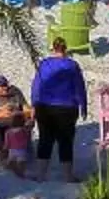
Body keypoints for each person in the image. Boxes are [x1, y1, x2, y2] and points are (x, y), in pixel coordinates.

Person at [26, 38, 86, 182]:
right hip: (66, 107)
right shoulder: (72, 65)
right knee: (65, 140)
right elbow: (79, 87)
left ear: (53, 48)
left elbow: (37, 86)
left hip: (45, 106)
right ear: (66, 49)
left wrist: (34, 104)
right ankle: (67, 176)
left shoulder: (44, 64)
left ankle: (41, 174)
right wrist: (83, 105)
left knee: (45, 139)